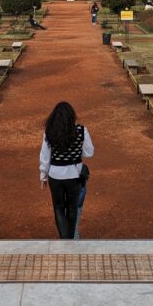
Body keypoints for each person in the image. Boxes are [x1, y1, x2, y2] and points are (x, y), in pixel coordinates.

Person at [40, 102, 94, 239]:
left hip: (55, 176)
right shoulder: (81, 130)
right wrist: (76, 149)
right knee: (72, 209)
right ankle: (70, 240)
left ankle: (64, 239)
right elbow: (89, 153)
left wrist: (43, 175)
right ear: (72, 116)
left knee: (58, 208)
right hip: (74, 175)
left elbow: (45, 156)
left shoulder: (50, 131)